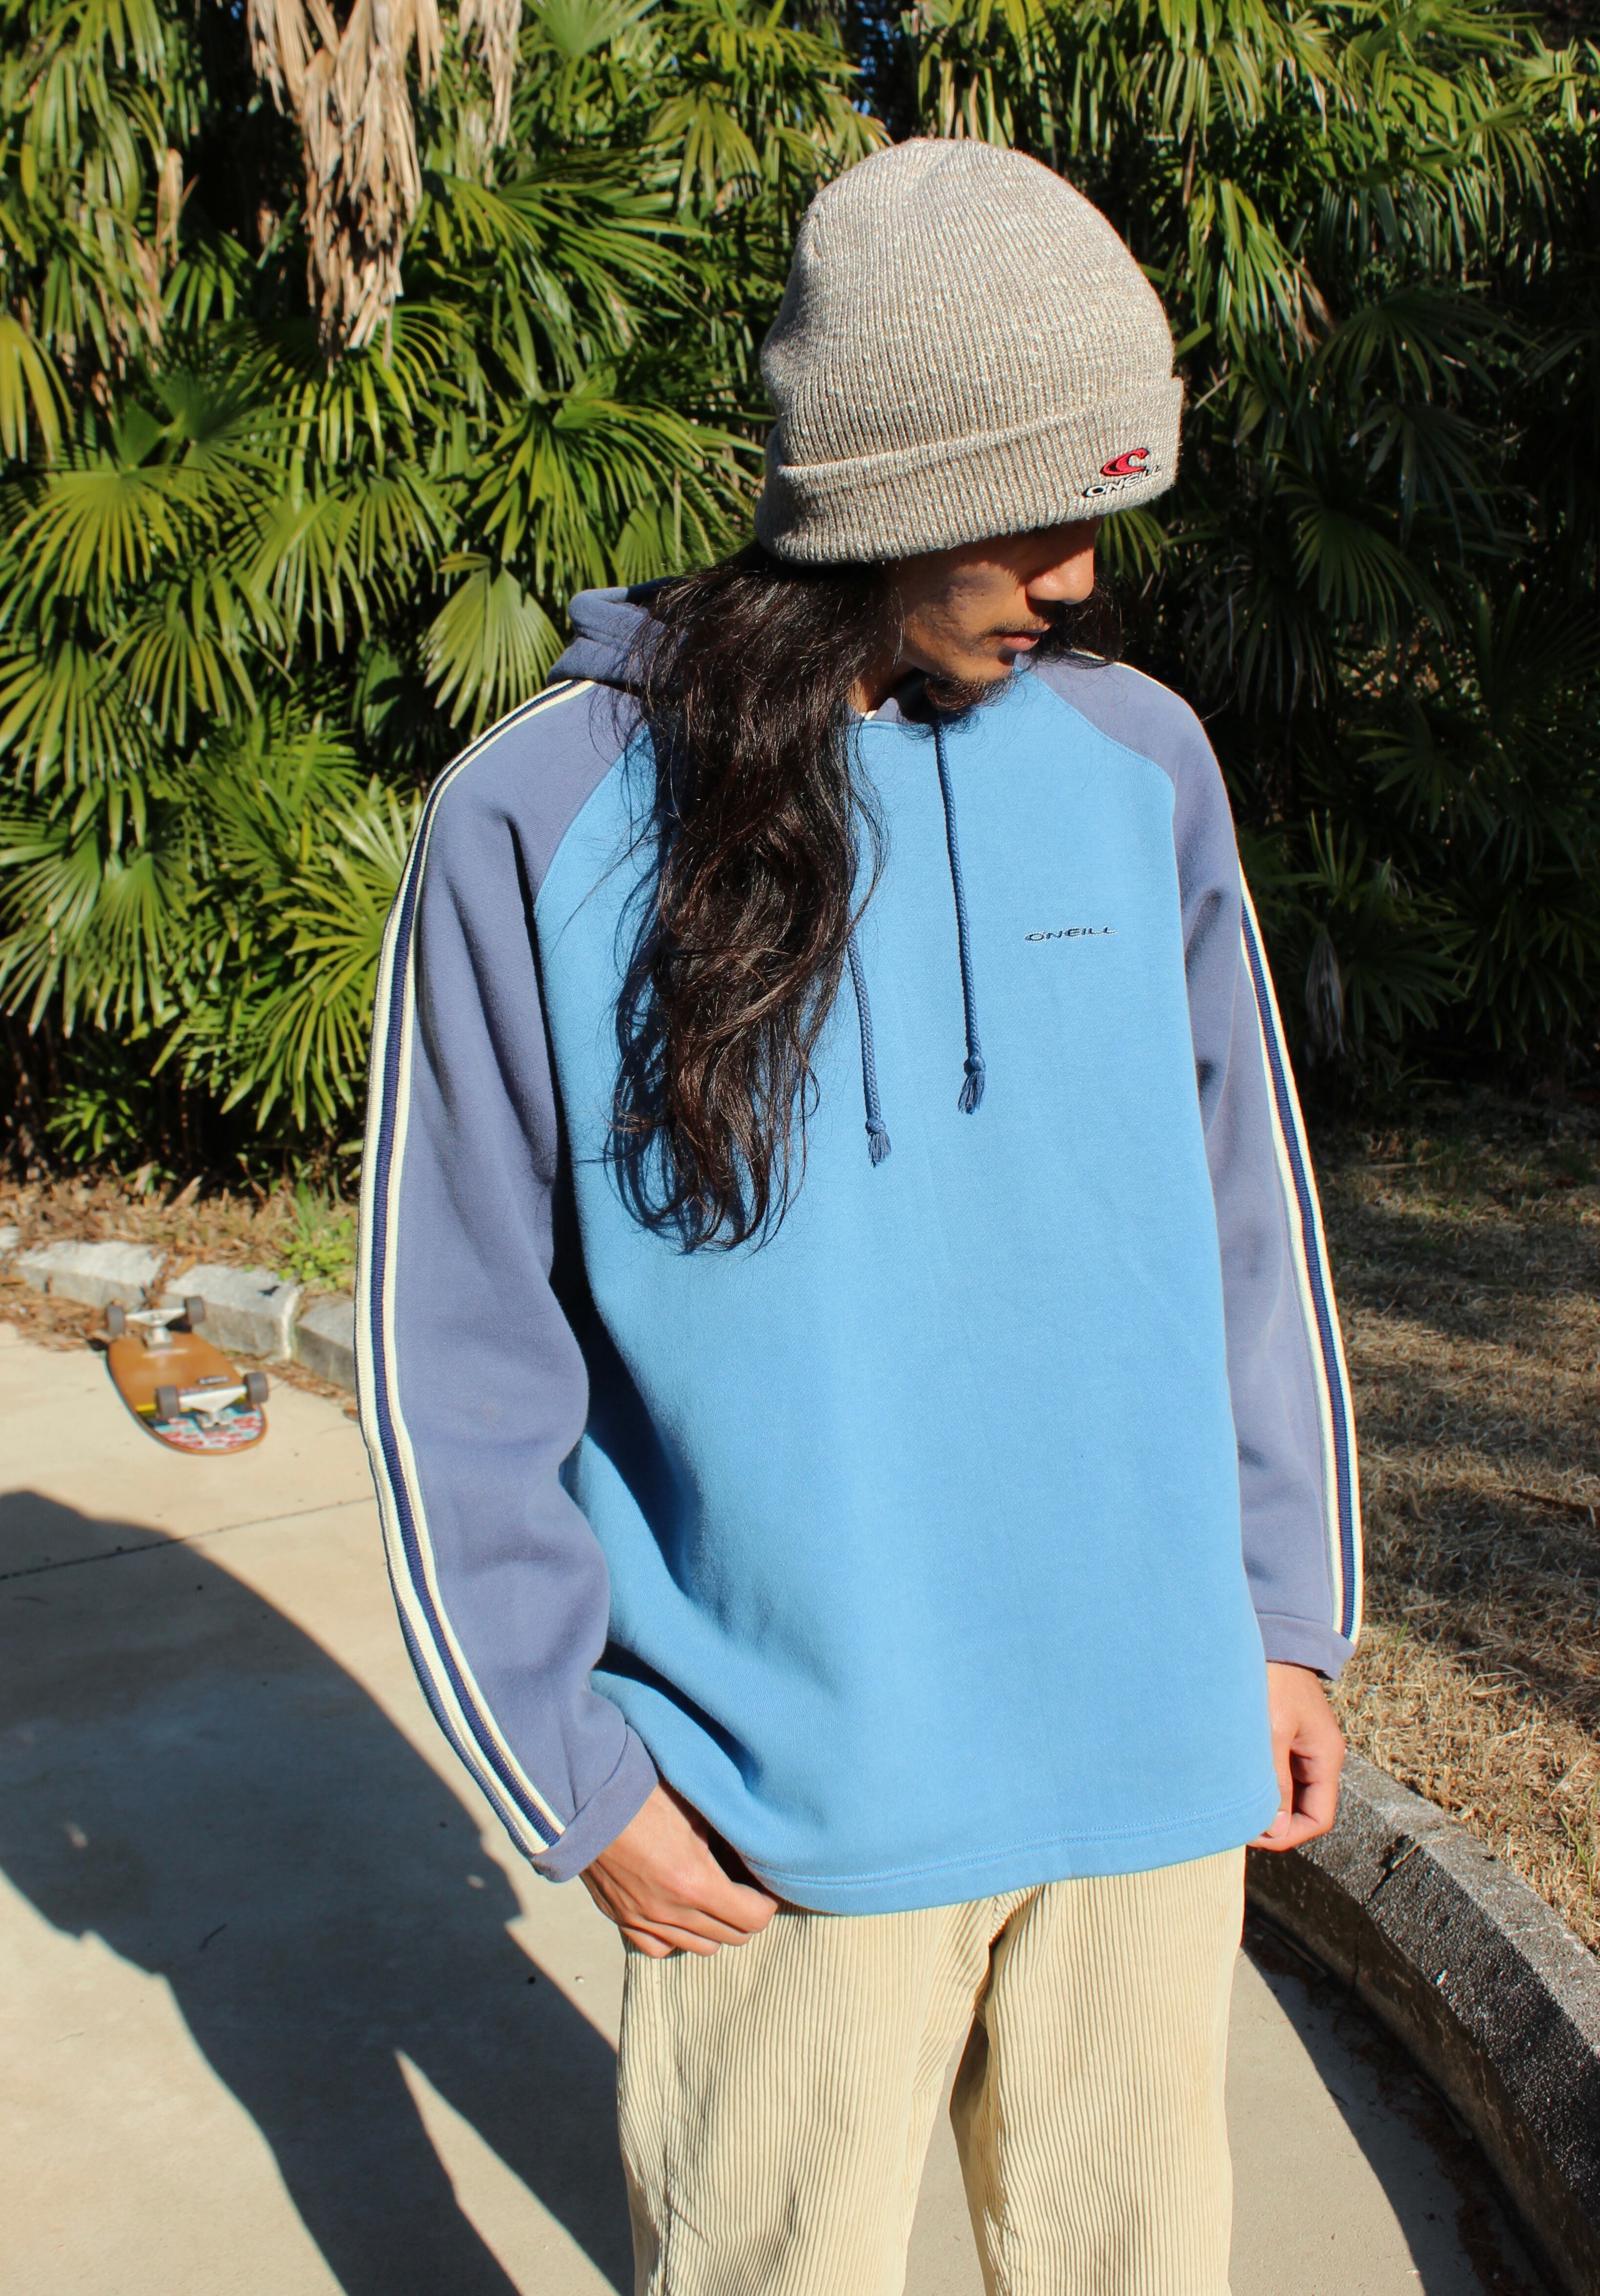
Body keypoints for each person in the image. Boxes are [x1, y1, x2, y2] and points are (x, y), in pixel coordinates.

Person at [357, 137, 1360, 2296]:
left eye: (1107, 512)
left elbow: (1245, 1230)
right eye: (1038, 513)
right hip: (785, 1811)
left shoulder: (1144, 766)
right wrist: (570, 1766)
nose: (1081, 576)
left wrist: (1284, 1619)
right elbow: (454, 1346)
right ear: (885, 493)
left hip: (1146, 1769)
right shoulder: (547, 813)